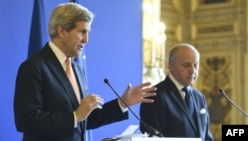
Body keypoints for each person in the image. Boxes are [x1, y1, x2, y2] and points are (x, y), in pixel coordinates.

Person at [13, 2, 157, 141]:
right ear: (62, 31)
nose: (86, 39)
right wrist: (75, 116)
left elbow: (84, 120)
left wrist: (122, 103)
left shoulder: (77, 69)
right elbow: (26, 120)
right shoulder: (34, 67)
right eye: (82, 32)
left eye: (88, 32)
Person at [140, 43, 214, 141]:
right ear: (171, 66)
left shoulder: (199, 97)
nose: (192, 70)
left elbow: (206, 137)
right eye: (186, 65)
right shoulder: (154, 96)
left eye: (195, 65)